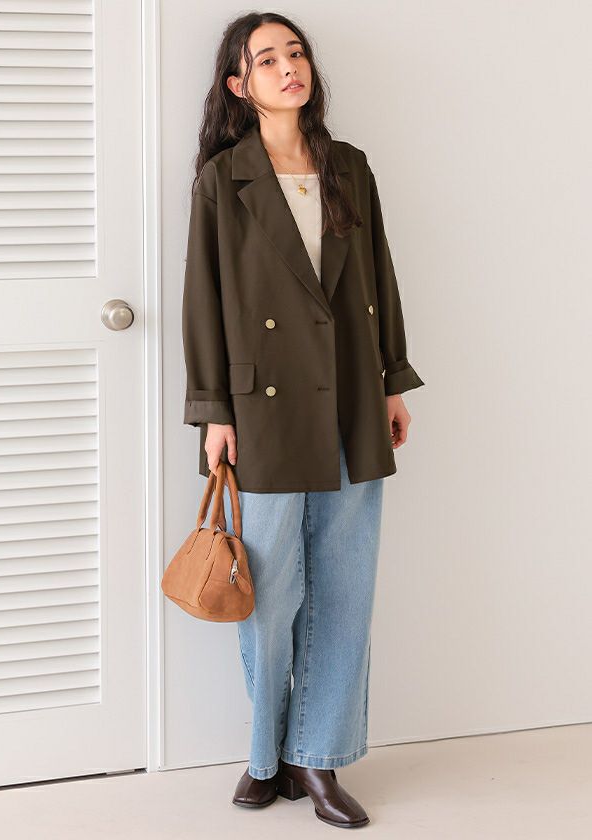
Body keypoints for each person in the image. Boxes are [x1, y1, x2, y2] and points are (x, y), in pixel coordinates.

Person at [181, 11, 425, 830]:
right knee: (269, 591)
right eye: (267, 59)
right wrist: (213, 412)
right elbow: (203, 300)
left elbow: (380, 276)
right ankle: (267, 754)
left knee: (345, 590)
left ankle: (317, 760)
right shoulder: (224, 180)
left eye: (296, 52)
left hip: (352, 396)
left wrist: (391, 381)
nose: (289, 66)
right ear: (239, 85)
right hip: (263, 409)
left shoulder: (348, 166)